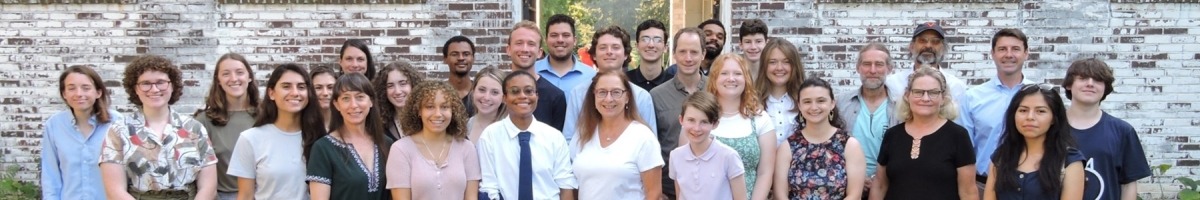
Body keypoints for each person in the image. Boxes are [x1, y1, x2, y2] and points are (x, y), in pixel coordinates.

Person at [101, 55, 218, 199]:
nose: (154, 89)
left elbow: (209, 186)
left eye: (161, 82)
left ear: (172, 85)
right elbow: (115, 191)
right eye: (145, 83)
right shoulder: (118, 131)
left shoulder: (194, 128)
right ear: (135, 89)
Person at [870, 67, 977, 200]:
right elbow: (880, 185)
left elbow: (968, 192)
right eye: (918, 92)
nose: (925, 98)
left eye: (933, 93)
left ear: (943, 98)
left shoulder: (958, 136)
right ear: (907, 96)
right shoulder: (892, 135)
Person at [227, 64, 326, 200]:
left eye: (301, 87)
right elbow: (245, 196)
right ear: (271, 93)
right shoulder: (250, 139)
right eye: (286, 86)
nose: (295, 92)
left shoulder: (320, 139)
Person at [477, 71, 578, 200]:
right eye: (515, 91)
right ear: (504, 98)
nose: (522, 96)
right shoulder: (490, 136)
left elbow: (565, 185)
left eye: (529, 91)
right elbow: (489, 187)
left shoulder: (554, 137)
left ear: (537, 96)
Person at [957, 28, 1038, 189]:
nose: (1009, 54)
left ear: (1026, 53)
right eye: (1002, 49)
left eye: (1015, 49)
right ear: (992, 54)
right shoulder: (972, 97)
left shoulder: (1040, 95)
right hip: (982, 185)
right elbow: (963, 149)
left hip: (1031, 186)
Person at [1061, 58, 1150, 200]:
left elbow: (1128, 185)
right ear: (1069, 85)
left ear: (1105, 88)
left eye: (1098, 80)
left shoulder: (1123, 131)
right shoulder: (1050, 128)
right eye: (1083, 78)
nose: (1090, 84)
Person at [570, 70, 664, 200]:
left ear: (627, 97)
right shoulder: (583, 134)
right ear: (594, 96)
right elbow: (574, 185)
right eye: (602, 92)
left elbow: (654, 194)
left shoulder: (643, 137)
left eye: (616, 92)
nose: (608, 99)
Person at [983, 83, 1085, 200]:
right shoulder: (1002, 156)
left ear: (1054, 119)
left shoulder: (1069, 161)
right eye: (1023, 110)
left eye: (1040, 111)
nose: (1030, 117)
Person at [772, 78, 865, 199]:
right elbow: (780, 195)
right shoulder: (788, 146)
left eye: (821, 101)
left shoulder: (849, 145)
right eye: (807, 102)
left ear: (832, 103)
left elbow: (855, 195)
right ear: (799, 105)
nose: (814, 107)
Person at [387, 81, 481, 199]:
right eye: (430, 107)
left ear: (453, 111)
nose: (438, 114)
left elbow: (471, 197)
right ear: (419, 111)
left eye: (444, 107)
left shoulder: (467, 148)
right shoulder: (401, 150)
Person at [564, 25, 657, 142]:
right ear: (594, 55)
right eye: (603, 48)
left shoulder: (642, 97)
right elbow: (569, 139)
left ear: (626, 54)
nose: (609, 52)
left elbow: (651, 143)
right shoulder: (578, 93)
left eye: (615, 47)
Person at [42, 65, 123, 200]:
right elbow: (50, 175)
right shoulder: (54, 125)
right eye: (71, 88)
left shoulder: (117, 122)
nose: (79, 93)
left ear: (98, 92)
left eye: (86, 88)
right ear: (64, 93)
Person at [307, 73, 392, 200]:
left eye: (360, 97)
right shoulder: (323, 148)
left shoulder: (387, 144)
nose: (353, 105)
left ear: (371, 101)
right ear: (336, 105)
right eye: (346, 98)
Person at [706, 53, 776, 200]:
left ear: (746, 79)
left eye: (737, 73)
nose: (731, 78)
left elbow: (765, 172)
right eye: (724, 73)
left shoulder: (760, 119)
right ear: (714, 79)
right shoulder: (700, 117)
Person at [835, 42, 901, 197]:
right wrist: (856, 177)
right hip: (846, 186)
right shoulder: (841, 103)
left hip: (888, 187)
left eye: (879, 64)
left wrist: (877, 179)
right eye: (866, 64)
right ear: (858, 68)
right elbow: (832, 144)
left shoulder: (901, 107)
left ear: (889, 69)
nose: (872, 70)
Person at [650, 27, 708, 200]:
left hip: (712, 187)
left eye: (694, 52)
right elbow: (651, 147)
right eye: (682, 51)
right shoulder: (656, 95)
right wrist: (657, 190)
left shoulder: (716, 90)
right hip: (669, 190)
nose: (688, 58)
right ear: (674, 53)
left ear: (703, 54)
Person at [193, 53, 261, 200]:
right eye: (226, 74)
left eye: (239, 72)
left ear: (249, 77)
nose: (234, 78)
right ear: (218, 80)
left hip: (265, 194)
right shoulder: (204, 121)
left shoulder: (267, 116)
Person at [669, 91, 748, 200]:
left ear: (715, 124)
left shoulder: (728, 156)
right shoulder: (676, 156)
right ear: (681, 120)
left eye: (704, 122)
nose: (696, 128)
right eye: (691, 120)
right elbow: (680, 195)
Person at [883, 22, 969, 102]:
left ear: (943, 49)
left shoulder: (957, 87)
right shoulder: (892, 84)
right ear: (912, 47)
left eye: (935, 42)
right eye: (922, 41)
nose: (928, 45)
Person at [508, 20, 568, 132]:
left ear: (540, 52)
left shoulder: (555, 96)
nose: (525, 49)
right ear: (508, 49)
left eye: (531, 44)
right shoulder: (496, 91)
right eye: (519, 43)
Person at [754, 38, 805, 145]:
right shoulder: (751, 100)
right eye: (772, 62)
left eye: (786, 62)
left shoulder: (806, 100)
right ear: (764, 66)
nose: (779, 68)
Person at [536, 14, 597, 92]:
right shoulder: (532, 72)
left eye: (566, 35)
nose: (560, 40)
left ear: (574, 40)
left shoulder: (591, 76)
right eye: (554, 35)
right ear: (546, 40)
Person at [375, 61, 427, 141]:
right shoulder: (381, 124)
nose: (397, 91)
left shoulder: (426, 118)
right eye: (390, 86)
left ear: (413, 85)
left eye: (403, 84)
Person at [627, 19, 673, 91]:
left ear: (665, 48)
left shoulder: (674, 84)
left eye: (657, 40)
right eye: (645, 39)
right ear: (637, 46)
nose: (651, 45)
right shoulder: (624, 82)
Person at [467, 66, 508, 142]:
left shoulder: (510, 129)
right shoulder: (463, 128)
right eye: (482, 90)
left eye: (495, 92)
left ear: (504, 98)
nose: (486, 97)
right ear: (473, 91)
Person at [445, 35, 478, 103]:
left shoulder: (481, 94)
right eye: (454, 54)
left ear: (473, 58)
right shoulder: (437, 93)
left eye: (466, 54)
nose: (461, 58)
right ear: (445, 59)